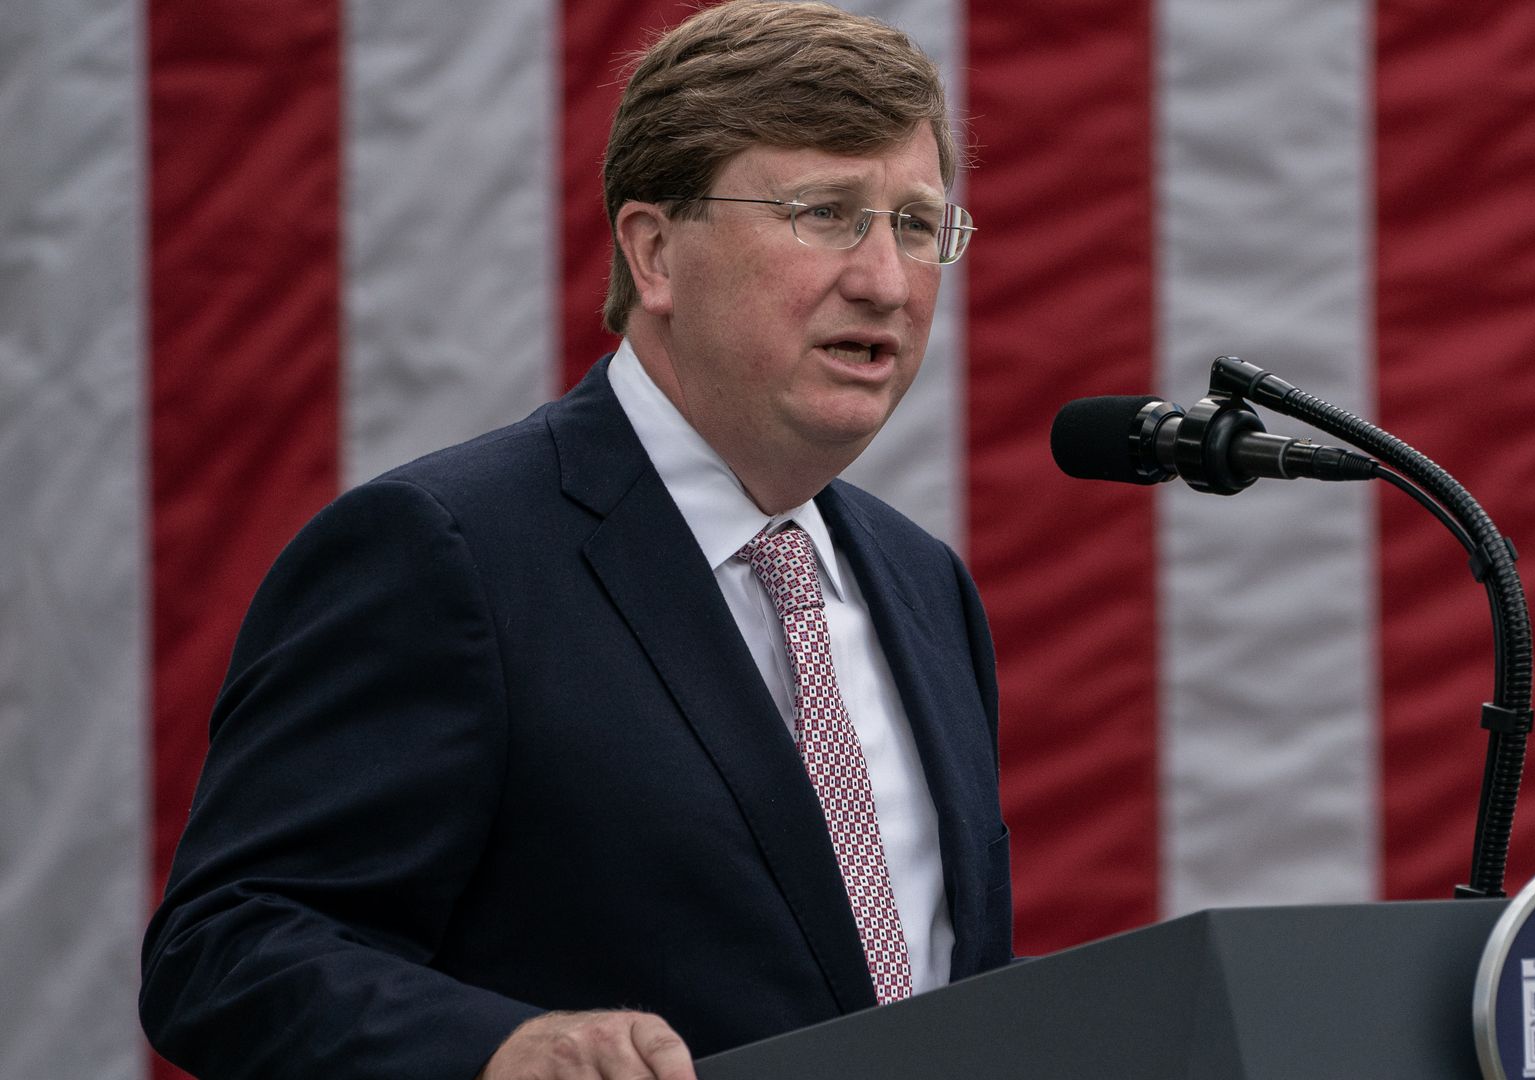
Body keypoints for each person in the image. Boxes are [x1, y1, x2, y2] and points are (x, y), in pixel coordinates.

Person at [138, 4, 1012, 1078]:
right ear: (655, 252)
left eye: (917, 225)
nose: (885, 279)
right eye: (825, 213)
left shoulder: (925, 587)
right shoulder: (444, 554)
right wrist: (502, 1050)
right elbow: (225, 948)